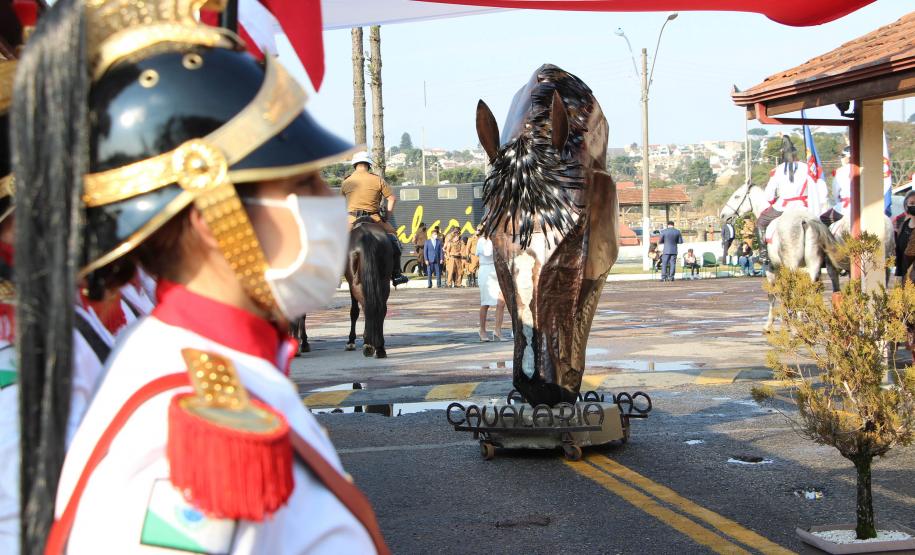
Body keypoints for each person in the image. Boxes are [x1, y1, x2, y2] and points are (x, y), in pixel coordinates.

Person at [13, 2, 388, 553]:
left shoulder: (221, 368)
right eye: (301, 183)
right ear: (213, 220)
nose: (325, 202)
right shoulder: (181, 438)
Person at [756, 136, 827, 267]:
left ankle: (763, 253)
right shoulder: (806, 167)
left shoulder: (777, 170)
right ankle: (826, 253)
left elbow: (769, 195)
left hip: (783, 206)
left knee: (761, 222)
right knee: (822, 224)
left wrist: (773, 199)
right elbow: (818, 187)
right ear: (795, 154)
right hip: (804, 207)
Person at [341, 151, 409, 286]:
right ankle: (396, 273)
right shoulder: (378, 179)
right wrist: (386, 217)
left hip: (351, 220)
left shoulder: (346, 182)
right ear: (369, 165)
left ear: (354, 165)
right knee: (394, 239)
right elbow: (392, 199)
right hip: (374, 218)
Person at [476, 231, 505, 341]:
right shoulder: (481, 241)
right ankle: (482, 330)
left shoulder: (497, 239)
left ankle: (497, 331)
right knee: (485, 303)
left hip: (496, 270)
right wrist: (492, 241)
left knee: (501, 301)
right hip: (486, 271)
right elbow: (488, 253)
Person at [821, 146, 851, 227]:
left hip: (845, 207)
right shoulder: (865, 168)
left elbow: (836, 193)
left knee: (822, 220)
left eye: (843, 156)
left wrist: (839, 203)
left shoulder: (840, 171)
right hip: (865, 205)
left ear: (848, 157)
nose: (841, 159)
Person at [895, 191, 915, 284]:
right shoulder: (903, 226)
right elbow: (899, 251)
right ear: (906, 205)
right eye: (912, 203)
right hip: (904, 276)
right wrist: (898, 273)